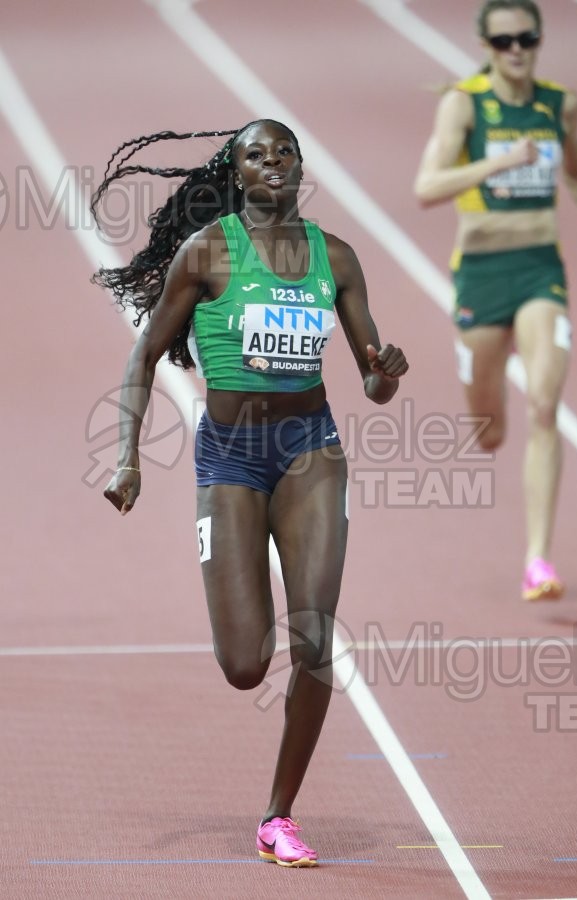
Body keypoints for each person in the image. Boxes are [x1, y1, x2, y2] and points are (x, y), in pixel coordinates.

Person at [91, 118, 409, 867]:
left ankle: (278, 816)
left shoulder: (337, 257)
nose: (272, 163)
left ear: (302, 166)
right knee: (243, 664)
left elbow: (373, 381)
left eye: (284, 152)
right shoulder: (208, 252)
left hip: (311, 453)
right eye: (256, 155)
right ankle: (271, 790)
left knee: (316, 635)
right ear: (236, 174)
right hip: (231, 458)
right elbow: (144, 354)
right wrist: (127, 457)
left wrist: (385, 370)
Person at [414, 0, 577, 601]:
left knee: (545, 405)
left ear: (538, 40)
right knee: (490, 428)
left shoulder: (561, 104)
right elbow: (426, 188)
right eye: (504, 41)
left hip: (541, 271)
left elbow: (575, 172)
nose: (517, 50)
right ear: (486, 47)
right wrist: (498, 161)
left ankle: (537, 560)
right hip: (482, 271)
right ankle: (479, 386)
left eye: (527, 38)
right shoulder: (464, 102)